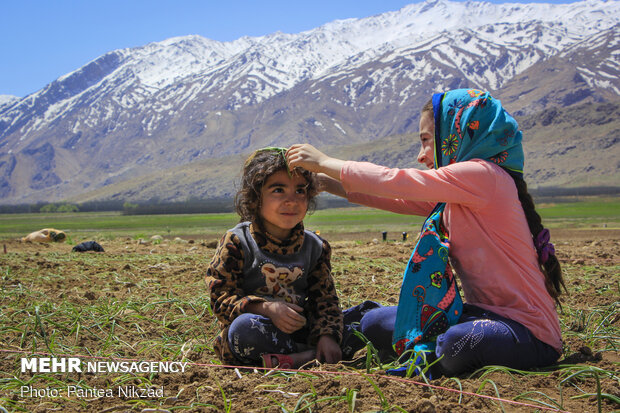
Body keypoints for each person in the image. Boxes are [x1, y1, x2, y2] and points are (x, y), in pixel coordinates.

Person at [286, 88, 566, 377]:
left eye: (426, 141)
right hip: (478, 316)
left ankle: (427, 352)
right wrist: (328, 183)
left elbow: (399, 183)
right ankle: (425, 347)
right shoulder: (459, 195)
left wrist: (326, 162)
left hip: (525, 332)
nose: (421, 156)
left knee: (457, 344)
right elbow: (398, 198)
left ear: (455, 135)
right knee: (374, 322)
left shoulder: (485, 177)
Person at [206, 147, 377, 369]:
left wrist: (327, 335)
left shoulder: (315, 246)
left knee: (369, 313)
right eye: (278, 190)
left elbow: (324, 299)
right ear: (255, 198)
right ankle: (309, 357)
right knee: (244, 330)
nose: (291, 200)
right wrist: (266, 309)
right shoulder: (237, 242)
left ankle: (308, 353)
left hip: (303, 330)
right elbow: (220, 298)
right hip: (260, 329)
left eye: (300, 191)